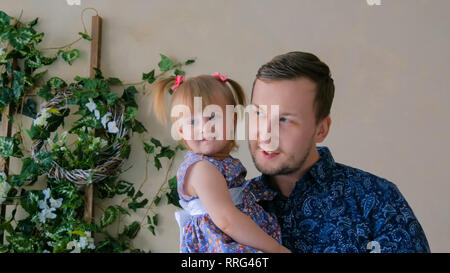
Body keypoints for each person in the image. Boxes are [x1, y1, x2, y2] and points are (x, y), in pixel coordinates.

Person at [247, 51, 431, 253]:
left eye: (285, 120)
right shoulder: (234, 204)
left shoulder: (378, 201)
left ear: (321, 129)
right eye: (258, 114)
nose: (265, 134)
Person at [152, 73, 290, 253]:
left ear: (233, 119)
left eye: (212, 116)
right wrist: (278, 250)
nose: (204, 127)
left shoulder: (220, 162)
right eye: (192, 121)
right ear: (181, 131)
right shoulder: (202, 169)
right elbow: (227, 221)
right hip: (223, 245)